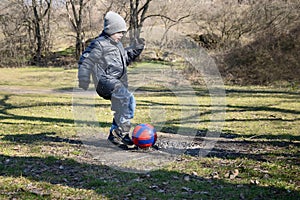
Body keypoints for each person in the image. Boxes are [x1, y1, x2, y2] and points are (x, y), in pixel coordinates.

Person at [77, 11, 145, 146]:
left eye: (123, 33)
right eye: (119, 32)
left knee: (122, 107)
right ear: (111, 30)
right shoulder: (99, 44)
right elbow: (85, 60)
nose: (121, 35)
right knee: (128, 99)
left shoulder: (117, 44)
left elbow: (124, 59)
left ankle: (116, 135)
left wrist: (136, 49)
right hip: (104, 82)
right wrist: (83, 78)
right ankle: (120, 131)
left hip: (116, 82)